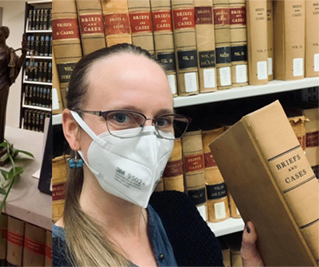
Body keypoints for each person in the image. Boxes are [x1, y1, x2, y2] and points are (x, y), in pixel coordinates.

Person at [52, 44, 264, 266]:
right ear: (73, 129)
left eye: (163, 121)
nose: (149, 141)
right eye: (122, 117)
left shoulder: (179, 212)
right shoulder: (59, 257)